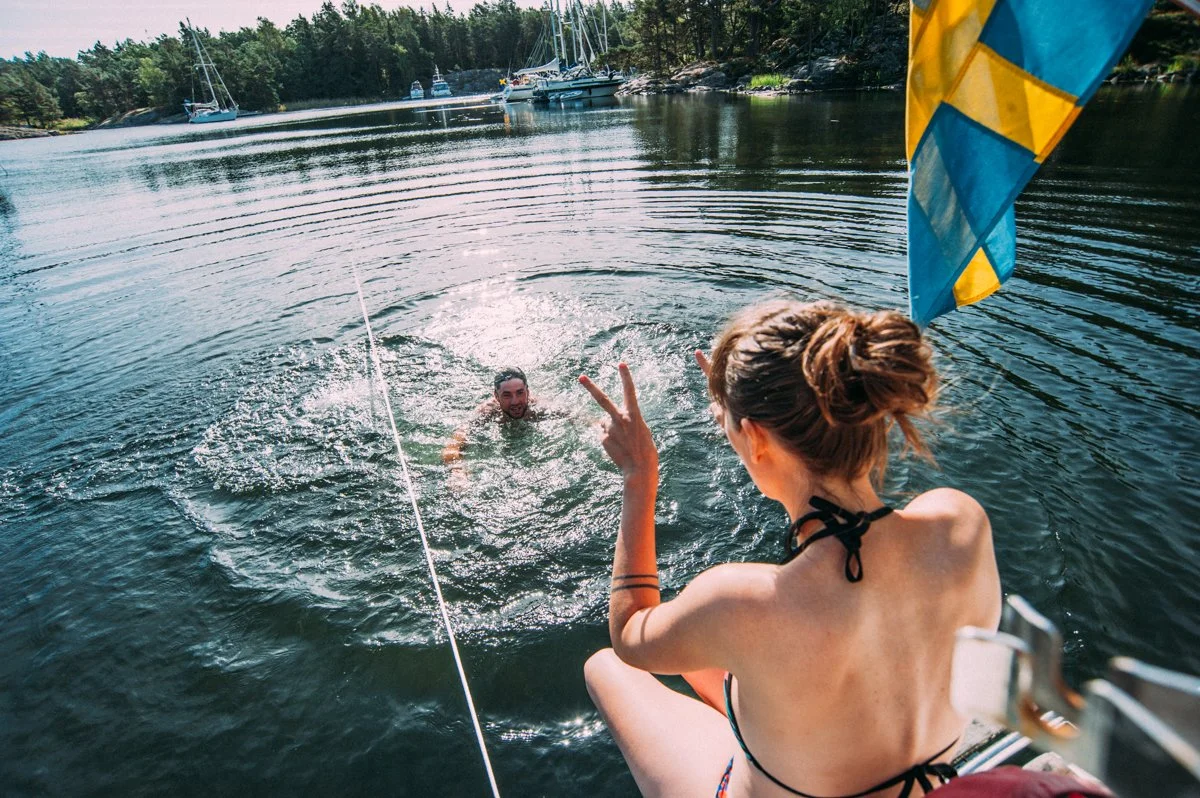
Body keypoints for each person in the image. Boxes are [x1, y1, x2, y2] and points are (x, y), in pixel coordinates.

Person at [578, 299, 1001, 798]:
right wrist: (753, 435)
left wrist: (639, 476)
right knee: (710, 649)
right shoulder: (959, 521)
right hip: (920, 782)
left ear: (756, 439)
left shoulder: (741, 602)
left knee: (604, 667)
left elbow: (630, 634)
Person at [442, 367, 543, 467]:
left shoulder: (539, 409)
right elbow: (454, 445)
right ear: (496, 396)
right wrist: (457, 470)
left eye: (520, 393)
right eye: (507, 395)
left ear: (528, 392)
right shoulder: (487, 411)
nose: (515, 401)